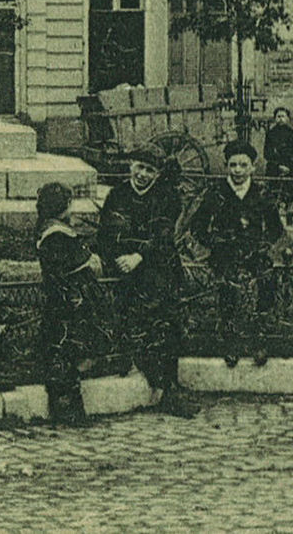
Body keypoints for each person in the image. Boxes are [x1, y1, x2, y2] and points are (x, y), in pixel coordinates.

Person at [94, 148, 196, 417]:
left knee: (165, 317)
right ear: (131, 166)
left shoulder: (166, 197)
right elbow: (104, 233)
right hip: (123, 267)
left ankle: (169, 387)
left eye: (150, 170)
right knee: (129, 315)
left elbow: (163, 236)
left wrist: (139, 256)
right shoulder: (117, 195)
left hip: (157, 265)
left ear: (158, 174)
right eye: (139, 167)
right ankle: (139, 370)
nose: (142, 174)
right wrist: (117, 257)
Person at [191, 140, 284, 366]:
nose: (238, 171)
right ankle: (230, 342)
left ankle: (259, 339)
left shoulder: (262, 192)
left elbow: (276, 229)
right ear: (226, 166)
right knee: (227, 288)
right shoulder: (216, 193)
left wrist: (263, 244)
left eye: (243, 165)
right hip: (225, 252)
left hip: (254, 251)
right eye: (233, 165)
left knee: (268, 281)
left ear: (253, 166)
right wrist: (215, 243)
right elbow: (198, 227)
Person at [34, 181, 114, 427]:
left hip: (59, 300)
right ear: (66, 206)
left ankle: (66, 407)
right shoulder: (58, 235)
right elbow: (74, 263)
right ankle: (69, 410)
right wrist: (89, 260)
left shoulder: (48, 230)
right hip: (69, 301)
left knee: (62, 351)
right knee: (67, 351)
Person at [263, 106, 293, 178]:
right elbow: (267, 153)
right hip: (273, 169)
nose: (281, 119)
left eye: (283, 116)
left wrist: (289, 167)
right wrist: (278, 166)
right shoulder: (270, 134)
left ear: (288, 119)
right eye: (278, 116)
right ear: (275, 119)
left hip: (290, 169)